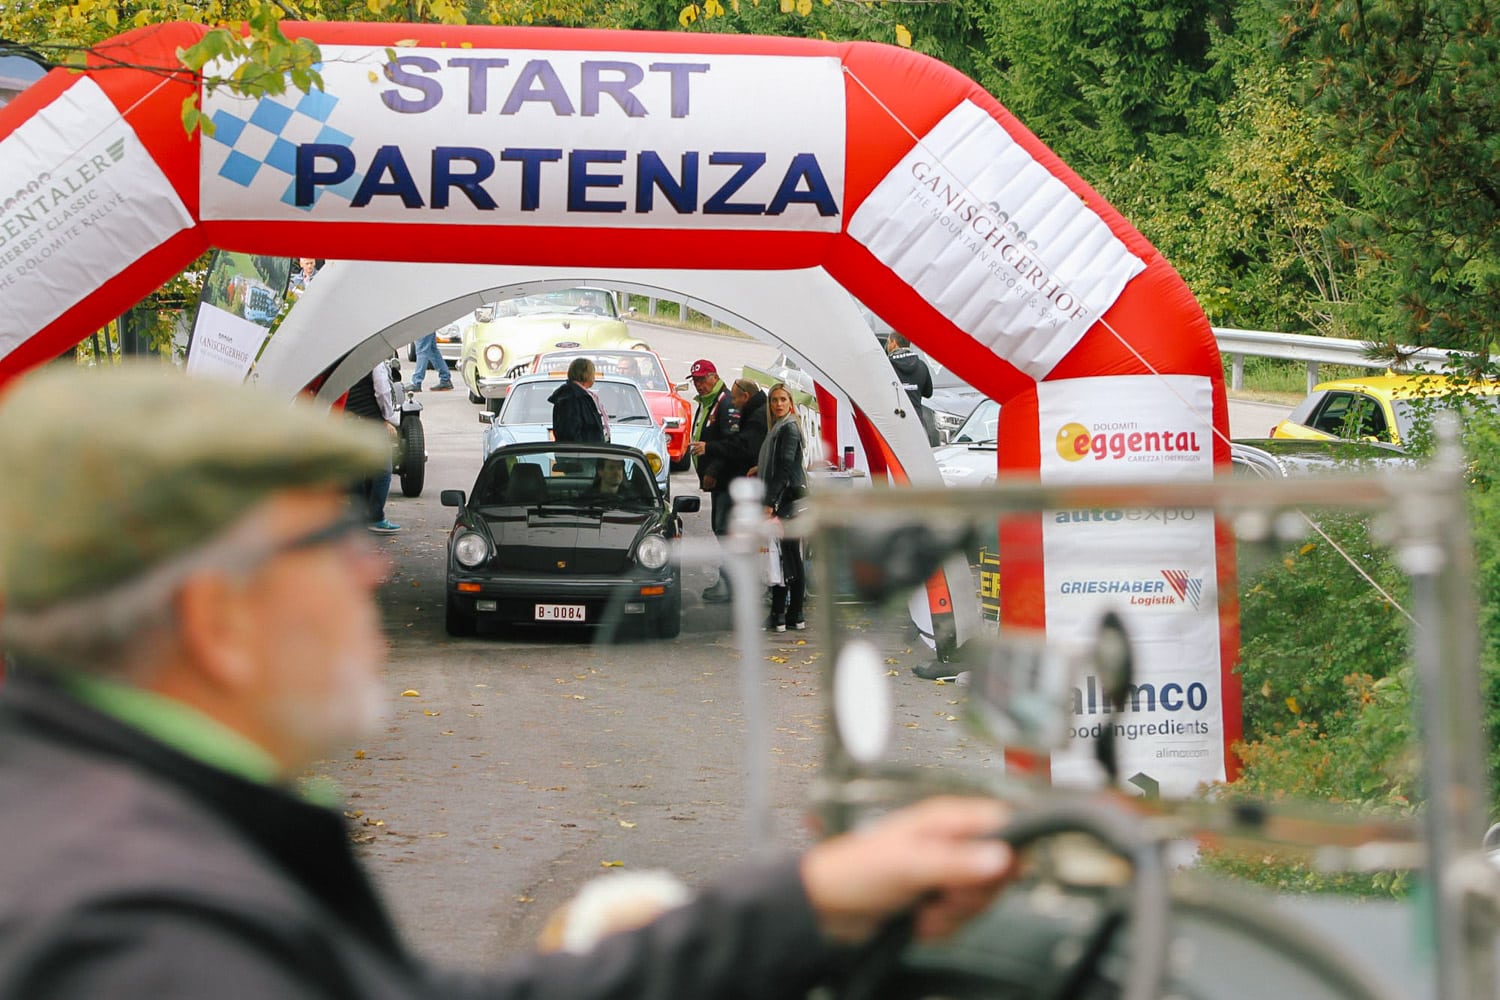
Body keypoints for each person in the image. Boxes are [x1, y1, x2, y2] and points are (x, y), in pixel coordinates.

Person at [0, 362, 1015, 1000]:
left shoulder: (107, 823)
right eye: (327, 538)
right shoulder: (138, 934)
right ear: (213, 619)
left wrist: (808, 904)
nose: (372, 567)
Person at [687, 365, 763, 603]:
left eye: (702, 379)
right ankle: (732, 581)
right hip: (722, 481)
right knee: (723, 530)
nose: (699, 384)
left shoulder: (727, 403)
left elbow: (733, 444)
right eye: (696, 380)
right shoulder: (710, 401)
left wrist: (712, 470)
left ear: (714, 377)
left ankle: (732, 582)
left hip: (728, 480)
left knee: (725, 530)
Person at [756, 383, 808, 633]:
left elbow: (786, 468)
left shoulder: (789, 429)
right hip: (786, 499)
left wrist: (770, 503)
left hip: (788, 501)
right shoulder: (780, 426)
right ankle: (786, 614)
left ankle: (788, 614)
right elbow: (780, 463)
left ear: (791, 403)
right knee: (782, 556)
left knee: (786, 557)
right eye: (774, 400)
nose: (778, 404)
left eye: (783, 399)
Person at [344, 357, 401, 534]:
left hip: (346, 419)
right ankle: (375, 516)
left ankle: (358, 515)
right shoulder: (373, 361)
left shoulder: (341, 358)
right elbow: (382, 392)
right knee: (383, 470)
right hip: (371, 421)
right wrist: (387, 417)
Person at [886, 331, 937, 445]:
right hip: (917, 423)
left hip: (895, 424)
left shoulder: (887, 366)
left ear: (894, 343)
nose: (888, 346)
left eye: (888, 342)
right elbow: (928, 393)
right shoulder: (921, 365)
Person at [549, 357, 607, 443]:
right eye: (592, 374)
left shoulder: (584, 395)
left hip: (590, 452)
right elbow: (569, 433)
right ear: (586, 375)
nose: (594, 378)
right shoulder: (570, 398)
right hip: (580, 453)